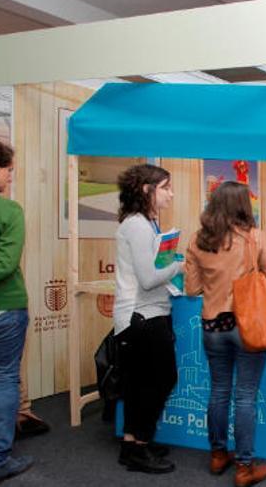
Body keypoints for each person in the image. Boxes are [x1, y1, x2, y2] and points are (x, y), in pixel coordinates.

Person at [185, 182, 266, 487]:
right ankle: (244, 467)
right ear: (243, 205)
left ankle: (217, 455)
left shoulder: (198, 240)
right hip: (247, 326)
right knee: (244, 396)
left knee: (219, 391)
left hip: (212, 326)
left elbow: (191, 289)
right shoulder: (254, 238)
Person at [113, 164, 182, 474]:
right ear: (146, 189)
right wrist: (178, 265)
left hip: (149, 314)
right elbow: (148, 277)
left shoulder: (146, 224)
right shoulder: (138, 226)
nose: (170, 193)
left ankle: (134, 444)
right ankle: (139, 446)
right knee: (158, 380)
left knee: (142, 383)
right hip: (141, 317)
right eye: (165, 187)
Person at [0, 137, 34, 485]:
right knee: (2, 379)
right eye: (8, 170)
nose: (10, 178)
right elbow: (4, 264)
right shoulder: (8, 210)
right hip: (2, 310)